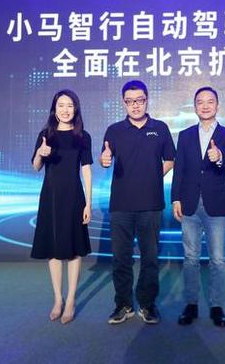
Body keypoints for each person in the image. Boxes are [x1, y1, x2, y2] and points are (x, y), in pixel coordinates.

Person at [100, 80, 175, 325]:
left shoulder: (160, 128)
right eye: (130, 101)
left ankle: (147, 304)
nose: (135, 105)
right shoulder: (114, 130)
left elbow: (170, 159)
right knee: (120, 258)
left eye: (140, 100)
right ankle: (123, 305)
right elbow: (105, 158)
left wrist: (152, 177)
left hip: (151, 204)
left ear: (146, 100)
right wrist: (104, 160)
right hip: (121, 205)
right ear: (124, 103)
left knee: (150, 258)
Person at [171, 86, 225, 327]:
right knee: (190, 258)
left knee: (217, 259)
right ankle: (191, 303)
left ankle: (217, 305)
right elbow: (179, 169)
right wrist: (175, 198)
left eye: (210, 101)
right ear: (195, 107)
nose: (206, 105)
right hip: (189, 204)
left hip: (216, 204)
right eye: (200, 102)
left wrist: (219, 157)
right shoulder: (185, 135)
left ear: (217, 105)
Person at [31, 89, 93, 325]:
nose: (65, 109)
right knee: (54, 249)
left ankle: (71, 301)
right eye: (61, 105)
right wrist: (40, 153)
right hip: (51, 197)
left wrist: (88, 203)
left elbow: (86, 169)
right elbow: (36, 166)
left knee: (74, 249)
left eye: (69, 105)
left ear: (75, 109)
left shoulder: (82, 136)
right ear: (54, 109)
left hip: (74, 196)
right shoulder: (45, 134)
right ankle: (58, 299)